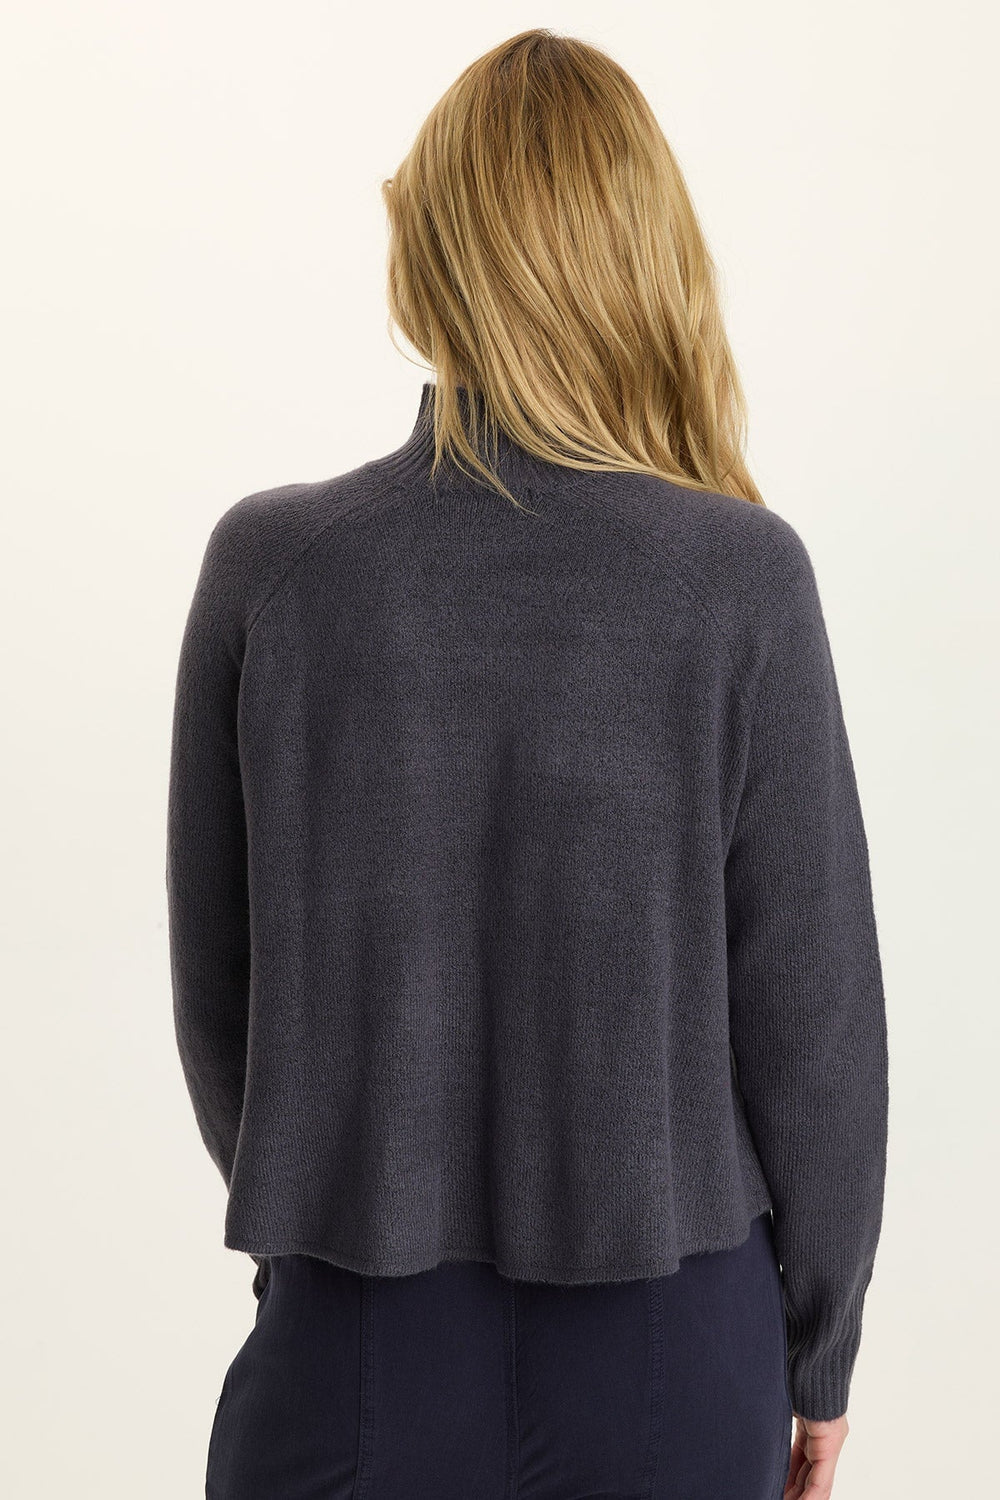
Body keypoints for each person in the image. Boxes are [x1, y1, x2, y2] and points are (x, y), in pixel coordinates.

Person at [166, 28, 889, 1500]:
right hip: (678, 1355)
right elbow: (814, 1029)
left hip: (350, 1337)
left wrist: (341, 1208)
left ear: (429, 258)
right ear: (643, 253)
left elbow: (221, 998)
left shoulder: (276, 569)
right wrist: (819, 1354)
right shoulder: (741, 577)